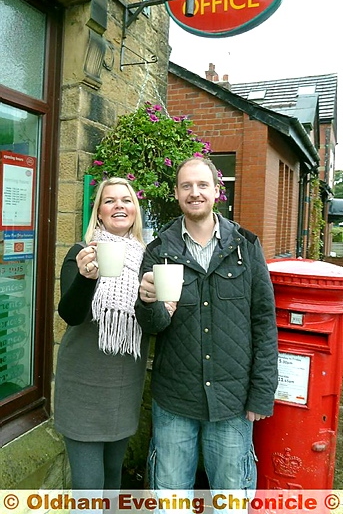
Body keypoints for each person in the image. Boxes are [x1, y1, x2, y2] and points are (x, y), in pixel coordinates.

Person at [135, 157, 278, 491]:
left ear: (217, 190)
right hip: (175, 399)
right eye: (186, 186)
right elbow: (152, 326)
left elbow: (263, 322)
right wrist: (147, 301)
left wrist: (261, 392)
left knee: (230, 497)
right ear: (176, 193)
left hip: (233, 401)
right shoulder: (159, 250)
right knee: (170, 497)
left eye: (202, 185)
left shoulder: (245, 246)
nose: (194, 192)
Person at [54, 177, 150, 491]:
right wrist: (85, 278)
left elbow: (154, 322)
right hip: (82, 385)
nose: (118, 206)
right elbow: (71, 314)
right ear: (99, 212)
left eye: (126, 200)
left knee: (112, 474)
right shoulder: (81, 253)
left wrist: (164, 306)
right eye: (110, 200)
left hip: (124, 384)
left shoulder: (147, 260)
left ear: (135, 210)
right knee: (89, 485)